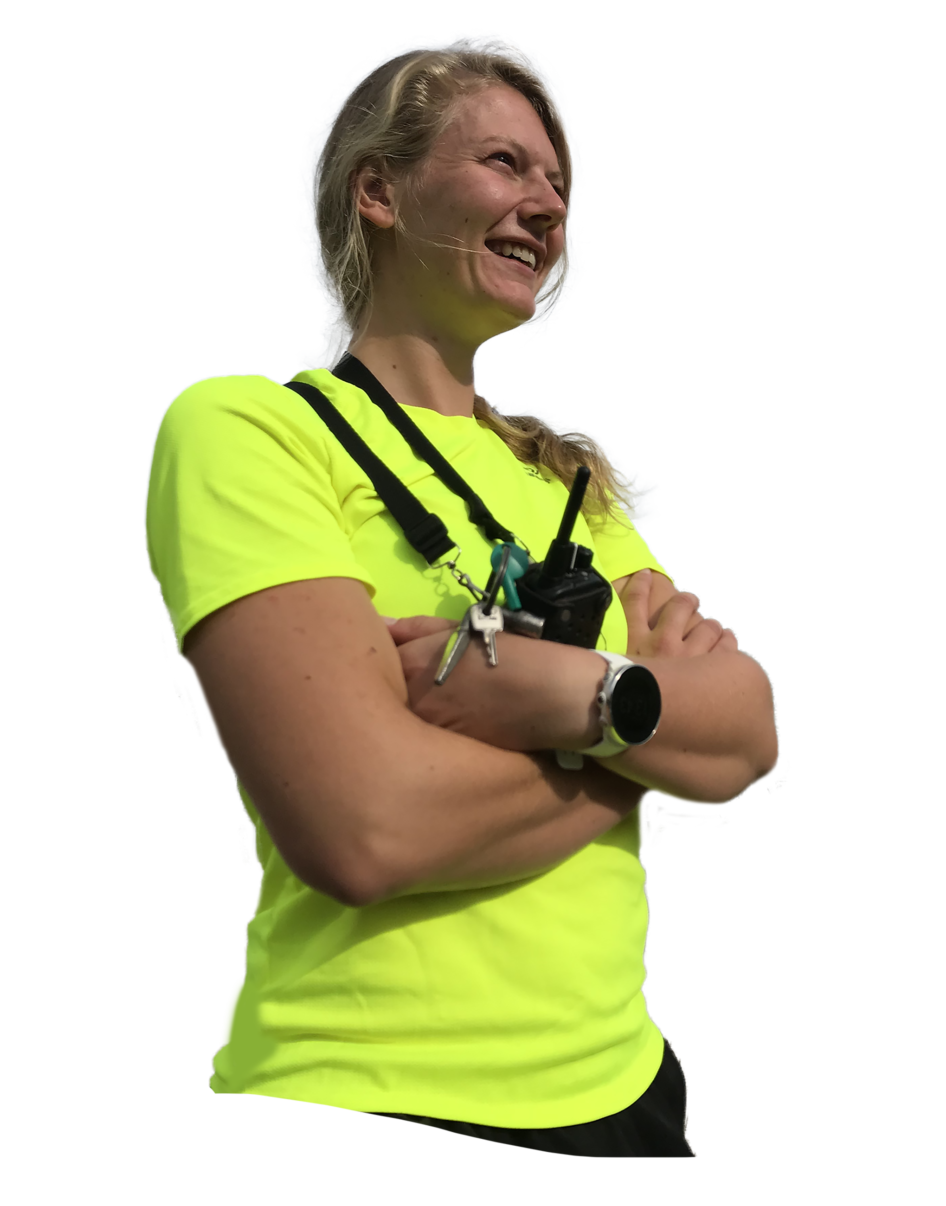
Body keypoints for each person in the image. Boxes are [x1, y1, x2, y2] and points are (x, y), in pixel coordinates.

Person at [144, 37, 777, 1157]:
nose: (548, 205)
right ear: (378, 192)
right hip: (364, 1091)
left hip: (625, 1094)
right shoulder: (252, 431)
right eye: (503, 163)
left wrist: (565, 698)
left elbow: (747, 736)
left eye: (559, 184)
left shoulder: (572, 479)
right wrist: (637, 747)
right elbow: (367, 830)